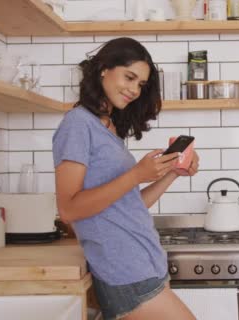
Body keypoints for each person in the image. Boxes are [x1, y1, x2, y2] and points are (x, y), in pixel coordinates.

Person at [52, 37, 198, 320]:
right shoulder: (77, 124)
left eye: (140, 84)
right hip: (125, 271)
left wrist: (171, 173)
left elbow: (128, 205)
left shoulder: (107, 127)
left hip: (145, 264)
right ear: (104, 68)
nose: (134, 90)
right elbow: (68, 209)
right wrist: (135, 174)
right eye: (129, 77)